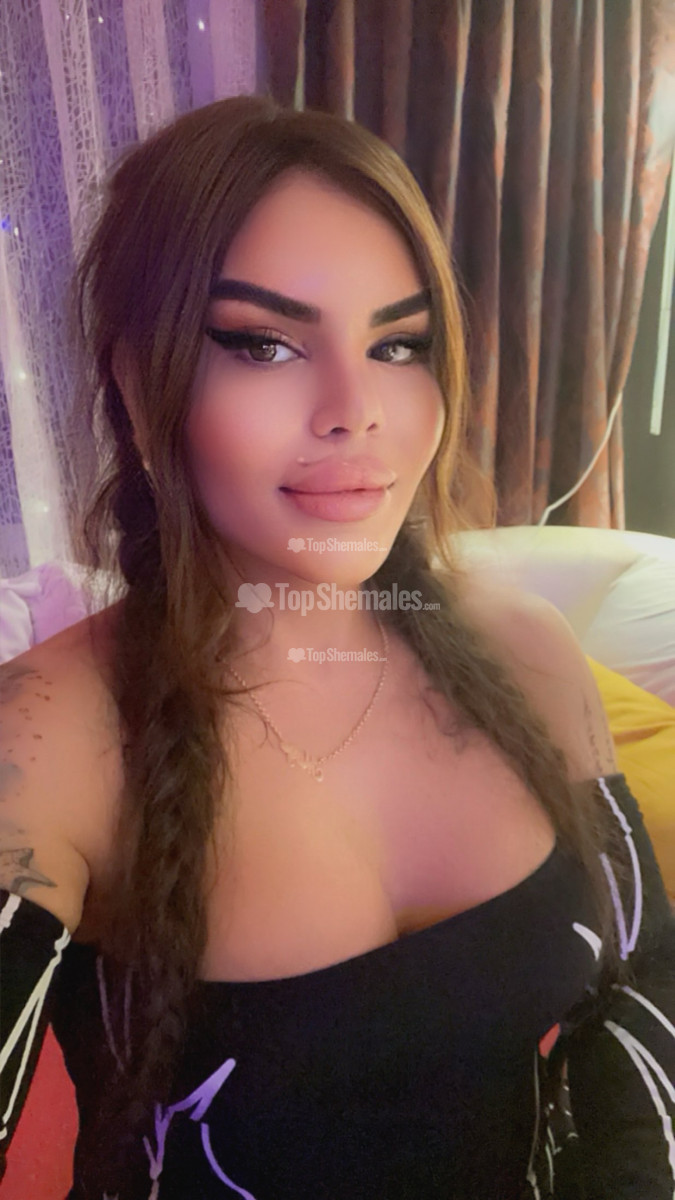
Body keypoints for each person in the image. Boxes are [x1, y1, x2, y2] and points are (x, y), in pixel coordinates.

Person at [0, 94, 673, 1200]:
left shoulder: (526, 654)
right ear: (137, 384)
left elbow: (642, 990)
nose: (356, 410)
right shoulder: (45, 743)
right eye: (265, 344)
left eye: (398, 344)